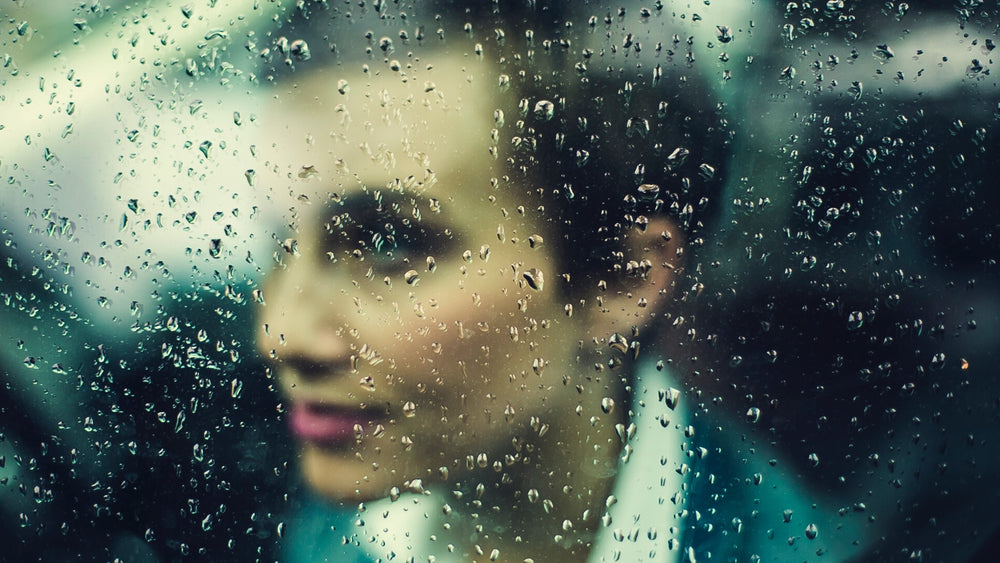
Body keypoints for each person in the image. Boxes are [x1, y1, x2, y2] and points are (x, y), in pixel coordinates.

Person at [253, 30, 871, 562]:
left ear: (621, 279)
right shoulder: (353, 490)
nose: (279, 332)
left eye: (391, 247)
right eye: (281, 242)